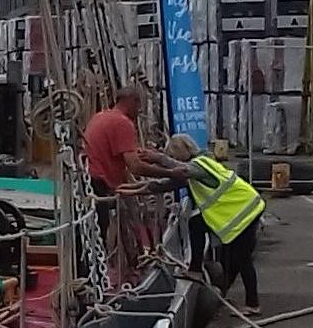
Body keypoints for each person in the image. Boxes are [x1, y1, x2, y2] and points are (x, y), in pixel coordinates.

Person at [153, 133, 264, 311]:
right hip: (243, 210)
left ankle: (253, 304)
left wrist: (158, 159)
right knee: (196, 224)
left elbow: (182, 171)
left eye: (173, 155)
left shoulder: (199, 165)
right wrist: (136, 188)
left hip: (245, 211)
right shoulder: (201, 162)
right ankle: (197, 269)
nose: (173, 159)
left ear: (183, 151)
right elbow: (167, 184)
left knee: (242, 258)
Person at [83, 85, 154, 260]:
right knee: (99, 230)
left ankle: (90, 270)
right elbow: (135, 166)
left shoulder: (100, 116)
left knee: (90, 232)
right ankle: (95, 277)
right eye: (139, 105)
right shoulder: (122, 123)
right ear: (132, 102)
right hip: (98, 183)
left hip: (88, 181)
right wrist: (168, 172)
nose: (140, 110)